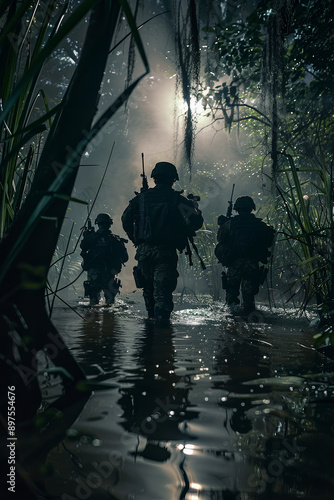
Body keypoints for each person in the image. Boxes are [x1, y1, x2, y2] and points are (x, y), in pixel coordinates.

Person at [121, 161, 204, 322]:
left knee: (148, 291)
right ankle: (162, 335)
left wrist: (136, 239)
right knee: (163, 294)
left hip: (144, 251)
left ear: (155, 178)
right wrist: (193, 210)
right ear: (173, 179)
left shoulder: (140, 199)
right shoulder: (178, 200)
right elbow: (197, 223)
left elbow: (125, 220)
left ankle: (150, 335)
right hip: (165, 252)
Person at [215, 196, 275, 315]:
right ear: (251, 208)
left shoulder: (230, 224)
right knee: (249, 296)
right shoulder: (259, 225)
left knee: (231, 294)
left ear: (236, 208)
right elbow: (269, 240)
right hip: (251, 263)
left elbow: (220, 239)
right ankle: (250, 320)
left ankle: (232, 322)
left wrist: (224, 223)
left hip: (234, 263)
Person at [80, 213, 128, 305]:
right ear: (110, 224)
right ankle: (109, 317)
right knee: (110, 303)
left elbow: (83, 247)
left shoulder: (91, 238)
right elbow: (125, 258)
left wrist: (87, 235)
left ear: (98, 223)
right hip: (110, 273)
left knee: (93, 302)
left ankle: (94, 318)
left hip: (94, 273)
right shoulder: (115, 240)